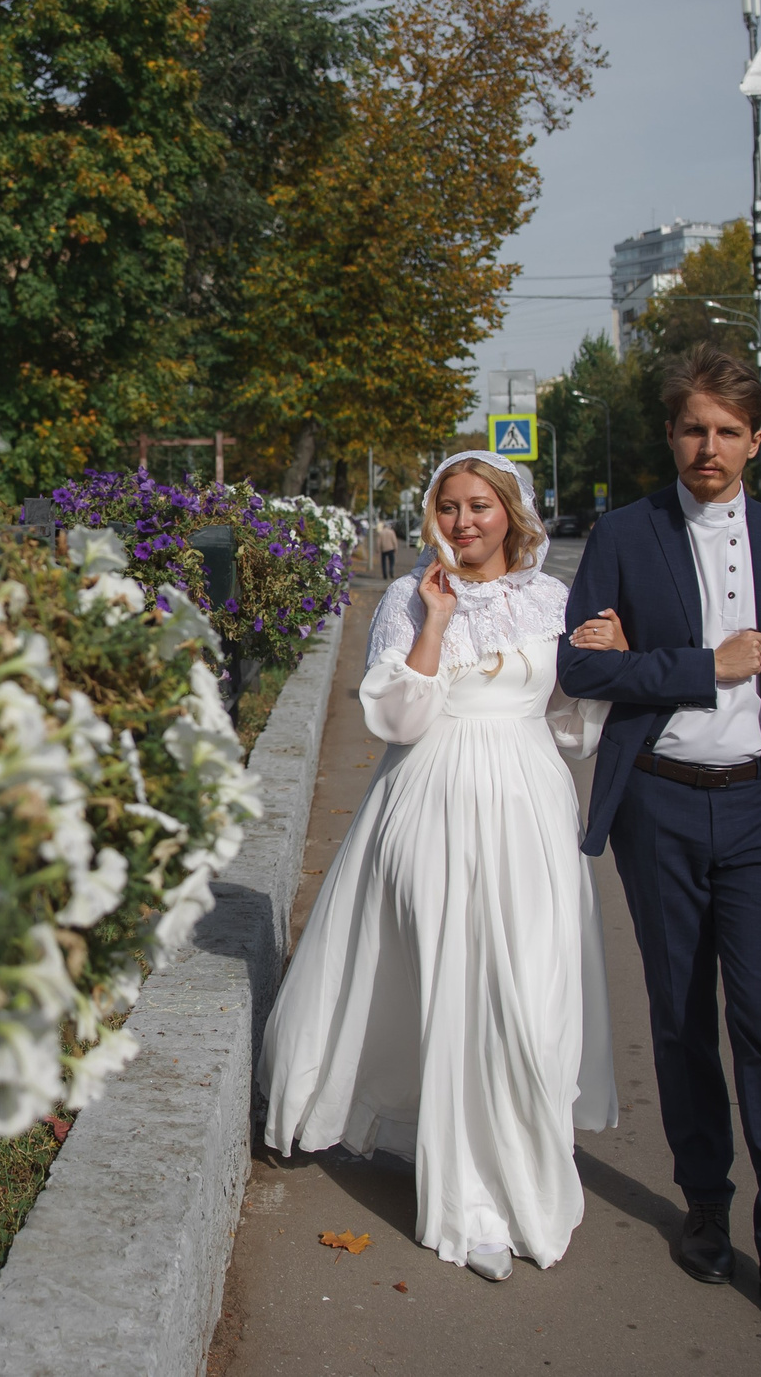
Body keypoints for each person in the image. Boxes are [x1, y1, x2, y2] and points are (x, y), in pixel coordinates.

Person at [557, 347, 761, 1341]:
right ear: (671, 436)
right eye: (694, 428)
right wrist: (702, 667)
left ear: (755, 441)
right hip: (661, 807)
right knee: (682, 1016)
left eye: (728, 431)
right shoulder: (624, 535)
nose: (709, 447)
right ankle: (702, 1200)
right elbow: (582, 672)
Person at [261, 450, 619, 1283]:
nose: (463, 521)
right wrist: (432, 622)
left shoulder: (551, 600)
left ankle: (525, 1175)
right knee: (460, 996)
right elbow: (394, 717)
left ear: (512, 514)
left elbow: (571, 725)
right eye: (449, 506)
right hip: (431, 810)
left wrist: (611, 660)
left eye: (480, 506)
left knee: (532, 999)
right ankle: (470, 1202)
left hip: (529, 812)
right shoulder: (405, 595)